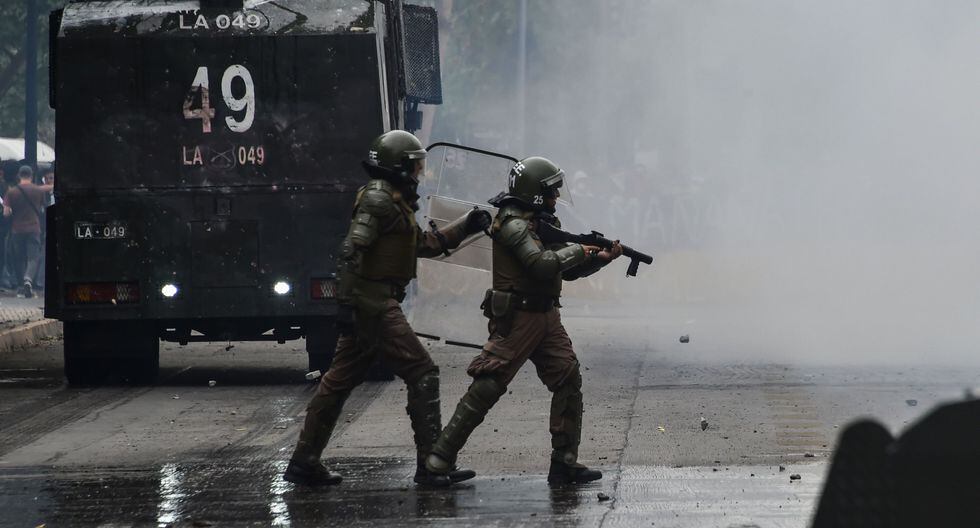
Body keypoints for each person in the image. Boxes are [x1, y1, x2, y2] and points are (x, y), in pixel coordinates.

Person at [283, 130, 491, 487]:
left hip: (371, 301)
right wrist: (346, 305)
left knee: (337, 383)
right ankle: (431, 465)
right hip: (374, 302)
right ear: (399, 166)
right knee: (423, 372)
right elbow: (351, 251)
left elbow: (423, 245)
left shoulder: (393, 200)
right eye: (416, 165)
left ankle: (304, 461)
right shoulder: (379, 200)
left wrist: (466, 225)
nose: (420, 173)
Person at [425, 156, 623, 485]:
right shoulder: (513, 223)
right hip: (518, 318)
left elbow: (566, 271)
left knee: (568, 379)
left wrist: (598, 258)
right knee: (488, 386)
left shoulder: (539, 223)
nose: (555, 197)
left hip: (546, 316)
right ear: (534, 193)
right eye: (550, 192)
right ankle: (438, 459)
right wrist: (580, 249)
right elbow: (542, 265)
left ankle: (564, 462)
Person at [3, 165, 52, 298]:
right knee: (33, 257)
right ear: (31, 175)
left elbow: (6, 213)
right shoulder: (38, 191)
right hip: (34, 228)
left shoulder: (12, 192)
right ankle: (28, 279)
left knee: (19, 258)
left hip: (17, 229)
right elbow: (43, 208)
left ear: (19, 175)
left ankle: (21, 287)